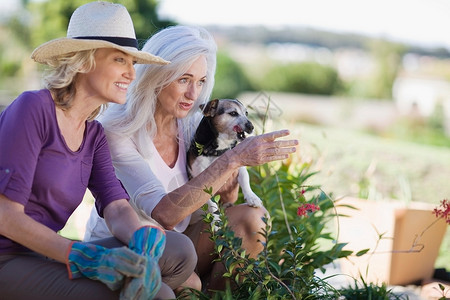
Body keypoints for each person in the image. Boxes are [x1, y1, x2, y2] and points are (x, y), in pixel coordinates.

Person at [0, 2, 197, 300]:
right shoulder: (33, 109)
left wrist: (140, 239)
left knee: (179, 250)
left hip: (48, 254)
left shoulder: (93, 133)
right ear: (82, 62)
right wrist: (85, 258)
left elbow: (116, 206)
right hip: (8, 261)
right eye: (120, 60)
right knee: (161, 296)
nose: (131, 74)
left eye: (133, 63)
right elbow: (5, 216)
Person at [84, 25, 298, 293]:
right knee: (190, 282)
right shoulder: (117, 131)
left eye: (200, 82)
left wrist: (229, 184)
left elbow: (223, 203)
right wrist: (233, 159)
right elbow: (164, 214)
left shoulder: (193, 125)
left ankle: (217, 297)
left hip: (180, 242)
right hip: (129, 245)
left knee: (252, 219)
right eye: (183, 79)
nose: (193, 94)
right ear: (157, 76)